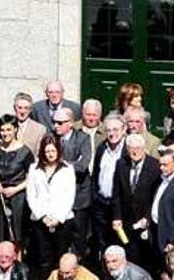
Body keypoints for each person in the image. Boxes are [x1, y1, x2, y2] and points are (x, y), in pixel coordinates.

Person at [26, 134, 76, 280]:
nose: (50, 154)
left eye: (53, 150)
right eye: (47, 151)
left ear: (59, 151)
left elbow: (70, 195)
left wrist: (58, 217)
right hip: (40, 220)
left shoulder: (68, 169)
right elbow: (31, 195)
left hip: (62, 220)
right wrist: (42, 216)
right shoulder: (34, 168)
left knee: (60, 257)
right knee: (43, 258)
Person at [111, 134, 162, 270]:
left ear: (144, 148)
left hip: (145, 221)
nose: (135, 152)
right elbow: (116, 194)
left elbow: (156, 197)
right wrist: (117, 217)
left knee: (145, 258)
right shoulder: (121, 164)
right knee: (128, 254)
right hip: (126, 221)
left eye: (138, 148)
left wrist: (147, 218)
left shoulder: (155, 166)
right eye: (131, 149)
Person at [0, 115, 34, 247]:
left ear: (15, 130)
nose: (5, 133)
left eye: (8, 130)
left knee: (16, 234)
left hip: (18, 197)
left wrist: (15, 189)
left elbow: (32, 177)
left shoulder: (25, 152)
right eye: (2, 130)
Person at [53, 107, 93, 258]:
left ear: (70, 123)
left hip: (79, 197)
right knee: (60, 238)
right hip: (58, 197)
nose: (56, 125)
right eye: (54, 122)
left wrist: (60, 164)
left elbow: (83, 166)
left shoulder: (83, 139)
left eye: (60, 122)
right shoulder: (51, 138)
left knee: (78, 237)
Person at [91, 114, 126, 255]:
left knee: (120, 242)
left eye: (116, 130)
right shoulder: (102, 148)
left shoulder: (128, 150)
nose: (112, 134)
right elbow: (95, 174)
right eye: (109, 130)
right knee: (102, 241)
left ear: (124, 130)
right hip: (101, 203)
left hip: (120, 205)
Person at [75, 99, 106, 171]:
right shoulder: (74, 129)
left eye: (95, 115)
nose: (91, 118)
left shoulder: (106, 131)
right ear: (82, 113)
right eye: (88, 114)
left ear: (100, 115)